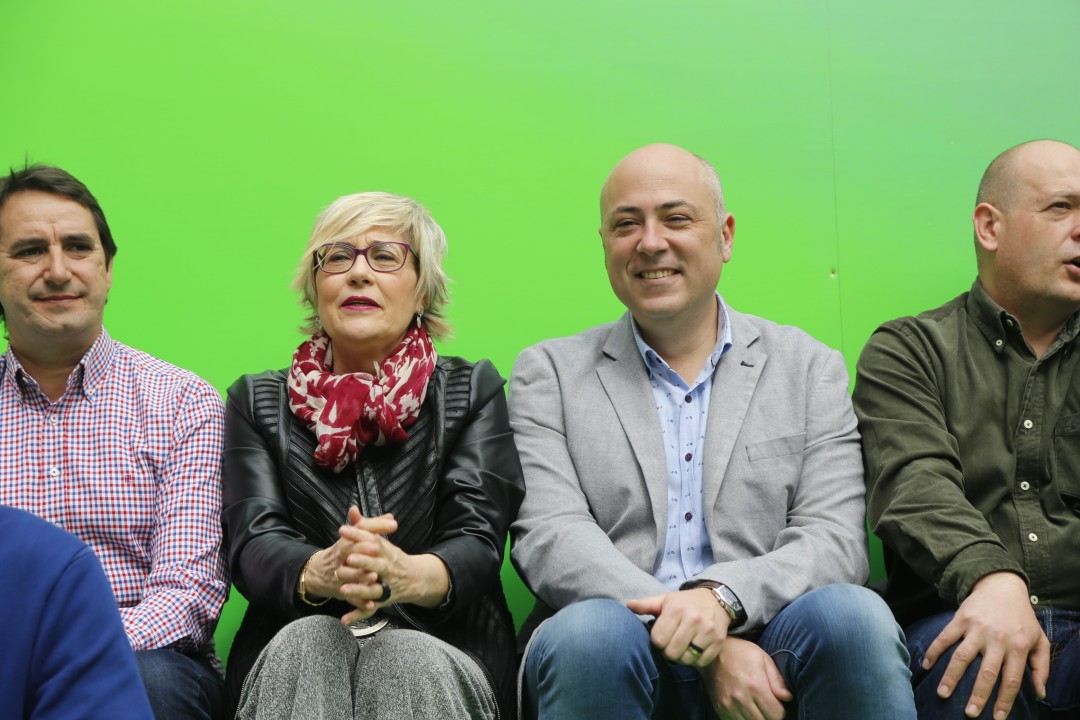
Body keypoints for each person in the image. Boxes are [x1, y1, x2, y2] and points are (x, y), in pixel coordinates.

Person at [509, 142, 915, 720]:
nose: (651, 242)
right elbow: (551, 537)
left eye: (676, 218)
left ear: (725, 237)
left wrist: (724, 601)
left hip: (771, 633)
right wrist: (701, 636)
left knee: (854, 616)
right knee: (590, 634)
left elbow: (834, 540)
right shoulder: (548, 373)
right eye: (626, 224)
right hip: (613, 633)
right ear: (604, 244)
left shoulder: (807, 368)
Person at [221, 191, 525, 719]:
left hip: (447, 646)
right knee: (310, 644)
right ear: (315, 287)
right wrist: (322, 569)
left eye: (385, 256)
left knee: (403, 656)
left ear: (423, 289)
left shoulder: (471, 390)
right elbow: (253, 540)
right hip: (295, 649)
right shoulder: (256, 400)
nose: (358, 273)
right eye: (337, 257)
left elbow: (477, 539)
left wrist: (405, 574)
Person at [853, 139, 1080, 719]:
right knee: (972, 664)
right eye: (1061, 208)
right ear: (989, 226)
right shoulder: (910, 350)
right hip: (959, 616)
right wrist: (993, 578)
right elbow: (914, 484)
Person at [0, 165, 228, 719]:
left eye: (78, 247)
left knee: (149, 683)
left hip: (146, 658)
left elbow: (189, 593)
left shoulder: (182, 402)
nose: (59, 271)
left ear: (107, 271)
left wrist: (73, 652)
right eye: (30, 251)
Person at [0, 504, 155, 720]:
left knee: (154, 675)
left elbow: (184, 587)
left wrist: (100, 640)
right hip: (32, 639)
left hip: (147, 642)